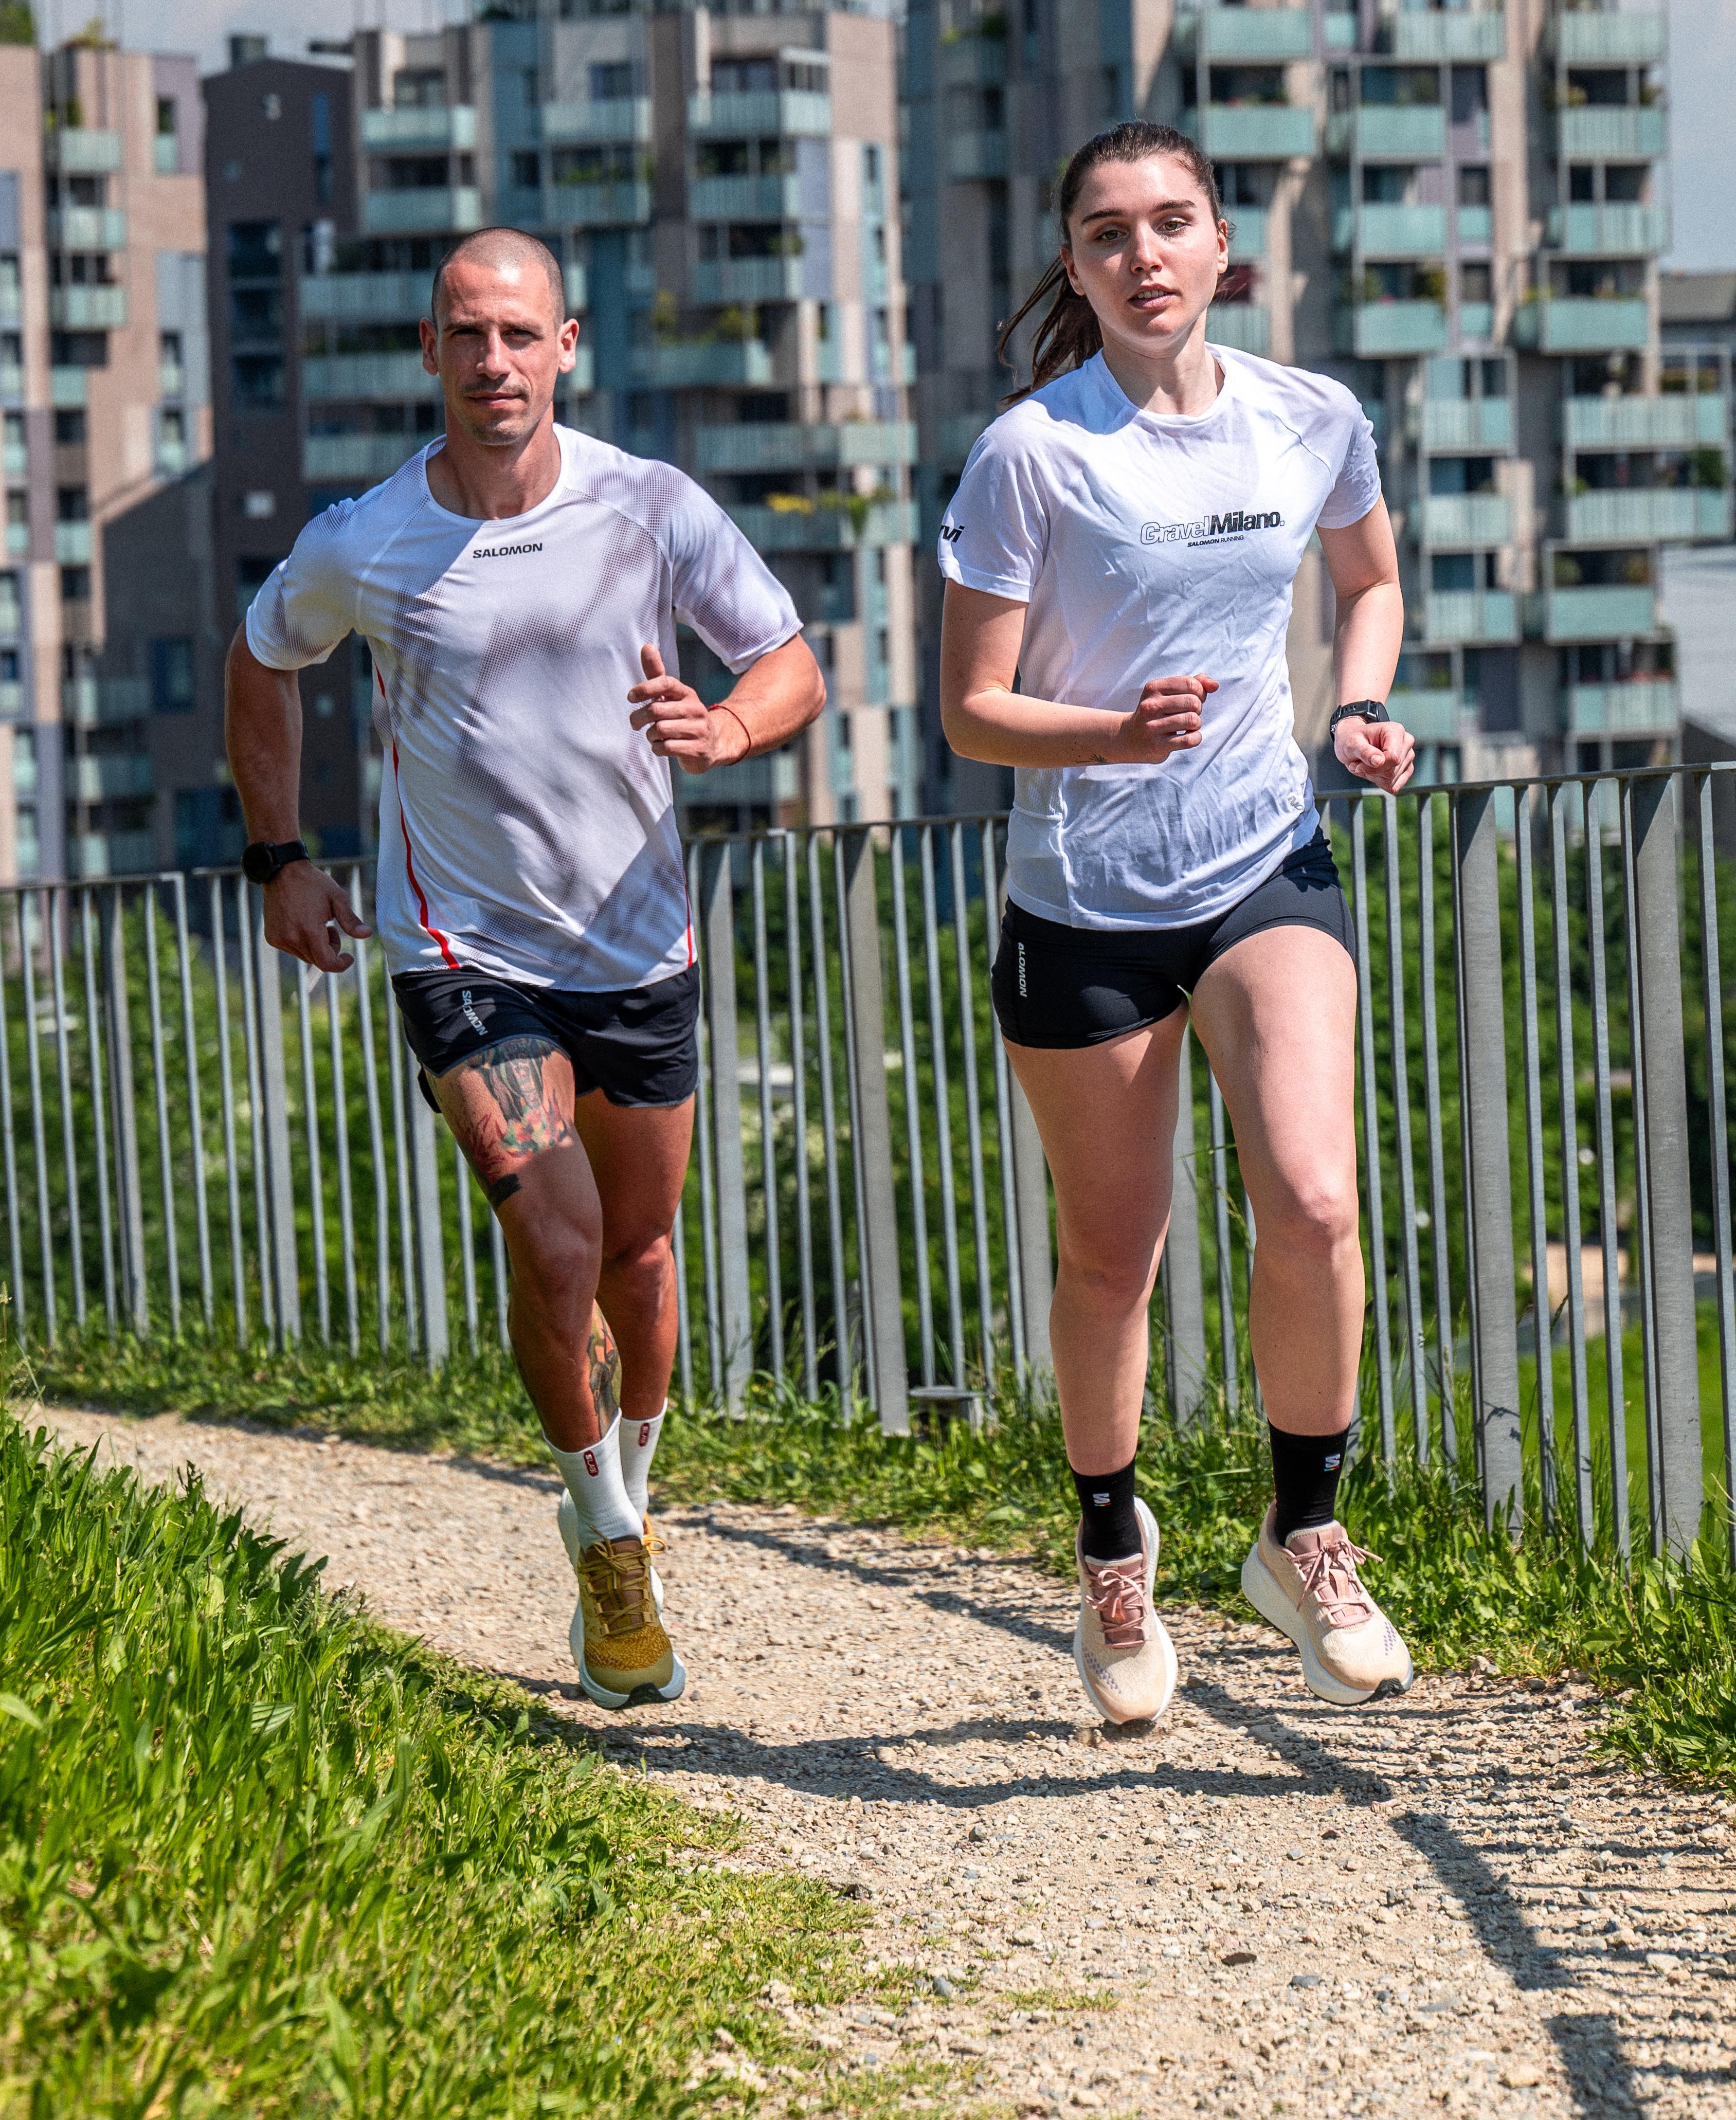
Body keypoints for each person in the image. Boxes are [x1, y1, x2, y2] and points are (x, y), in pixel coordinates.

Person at [226, 227, 824, 1709]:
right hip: (463, 950)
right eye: (467, 334)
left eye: (521, 334)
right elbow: (261, 657)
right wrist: (278, 858)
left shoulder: (651, 507)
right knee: (552, 1240)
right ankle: (609, 1549)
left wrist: (731, 730)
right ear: (429, 351)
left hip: (639, 944)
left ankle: (624, 1481)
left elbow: (792, 659)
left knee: (636, 1254)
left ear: (567, 349)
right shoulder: (366, 538)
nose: (495, 361)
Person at [938, 121, 1416, 1723]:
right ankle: (1111, 1548)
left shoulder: (1309, 418)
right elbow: (971, 711)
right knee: (1114, 1258)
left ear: (1225, 251)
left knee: (1316, 1198)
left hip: (1260, 861)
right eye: (1106, 235)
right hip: (1081, 904)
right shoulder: (1036, 451)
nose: (1144, 256)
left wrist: (1355, 710)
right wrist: (1108, 735)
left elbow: (1370, 583)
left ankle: (1305, 1528)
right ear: (1075, 269)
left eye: (1173, 224)